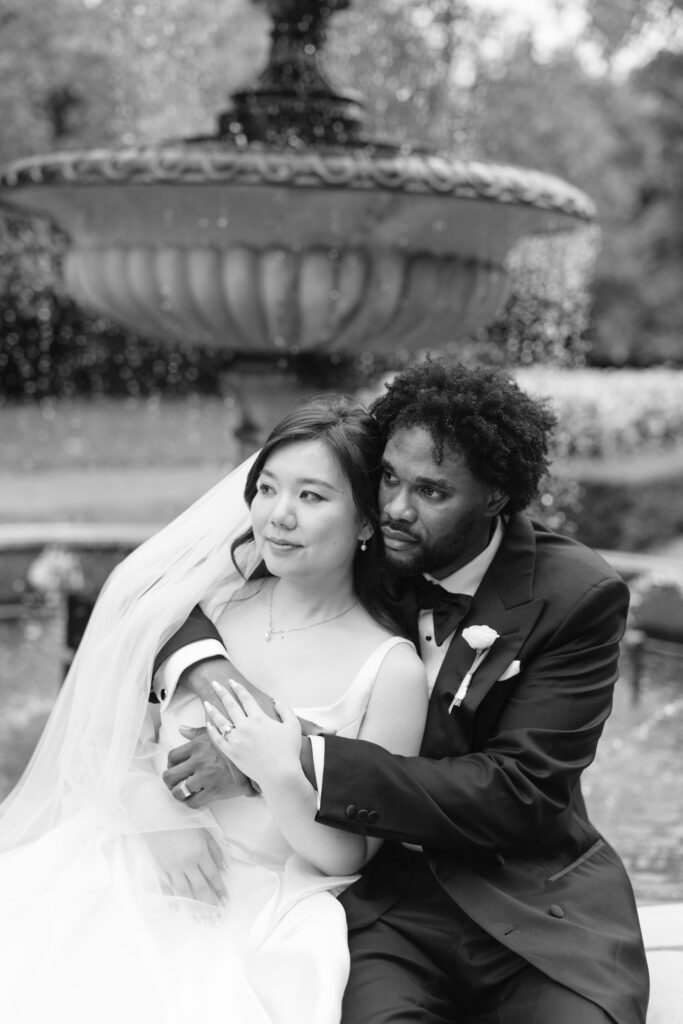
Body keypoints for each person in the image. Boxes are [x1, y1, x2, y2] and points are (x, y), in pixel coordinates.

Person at [158, 359, 650, 1024]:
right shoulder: (368, 549)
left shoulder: (573, 596)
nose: (393, 506)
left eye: (430, 492)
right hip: (387, 904)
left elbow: (518, 791)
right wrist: (215, 676)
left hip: (531, 901)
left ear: (494, 499)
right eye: (387, 477)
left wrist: (274, 756)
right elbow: (163, 595)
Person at [0, 397, 427, 1024]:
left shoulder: (390, 670)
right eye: (268, 489)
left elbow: (350, 857)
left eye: (312, 497)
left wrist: (275, 771)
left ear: (366, 521)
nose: (279, 516)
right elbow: (108, 738)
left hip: (258, 899)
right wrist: (155, 818)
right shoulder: (208, 609)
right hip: (127, 849)